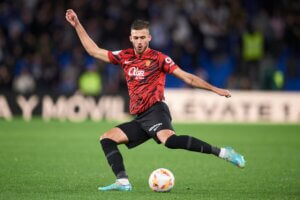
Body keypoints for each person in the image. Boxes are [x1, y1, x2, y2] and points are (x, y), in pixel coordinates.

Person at [65, 9, 246, 192]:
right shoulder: (125, 56)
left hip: (156, 110)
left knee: (169, 141)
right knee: (107, 138)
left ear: (149, 38)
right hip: (141, 118)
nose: (139, 41)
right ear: (130, 38)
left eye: (143, 37)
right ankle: (123, 182)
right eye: (136, 38)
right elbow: (94, 51)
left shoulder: (159, 58)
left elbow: (187, 78)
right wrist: (77, 24)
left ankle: (223, 153)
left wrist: (214, 89)